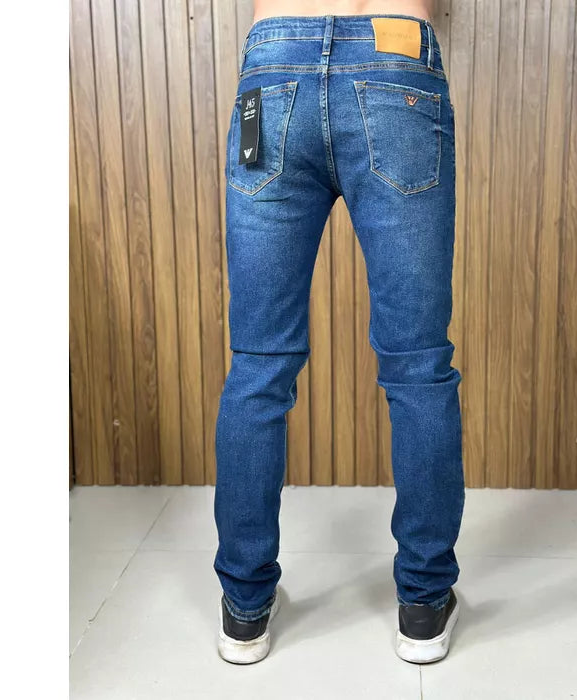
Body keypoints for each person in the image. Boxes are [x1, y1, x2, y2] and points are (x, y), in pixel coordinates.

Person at [213, 0, 465, 665]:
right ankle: (423, 605)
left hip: (274, 65)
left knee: (259, 366)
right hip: (394, 56)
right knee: (419, 367)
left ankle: (244, 610)